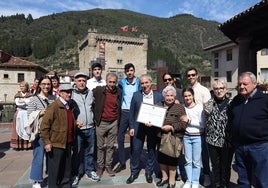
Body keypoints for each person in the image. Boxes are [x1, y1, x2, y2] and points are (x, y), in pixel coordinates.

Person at [229, 72, 268, 187]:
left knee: (262, 181)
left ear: (254, 84)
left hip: (260, 147)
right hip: (240, 147)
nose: (241, 87)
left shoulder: (264, 100)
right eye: (240, 84)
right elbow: (231, 119)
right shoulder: (236, 100)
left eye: (245, 84)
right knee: (243, 180)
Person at [126, 74, 163, 184]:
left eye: (146, 82)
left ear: (151, 83)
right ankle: (134, 172)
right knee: (136, 150)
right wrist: (131, 127)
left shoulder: (159, 96)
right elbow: (131, 112)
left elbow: (162, 111)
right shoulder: (136, 95)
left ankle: (149, 172)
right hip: (138, 127)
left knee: (151, 150)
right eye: (142, 83)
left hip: (153, 127)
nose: (144, 85)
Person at [40, 83, 75, 188]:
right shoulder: (54, 106)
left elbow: (65, 121)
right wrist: (47, 142)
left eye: (70, 92)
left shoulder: (68, 105)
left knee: (66, 168)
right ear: (60, 93)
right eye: (67, 92)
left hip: (67, 142)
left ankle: (65, 185)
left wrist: (75, 123)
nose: (69, 94)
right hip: (56, 143)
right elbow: (44, 126)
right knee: (54, 170)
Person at [203, 79, 234, 188]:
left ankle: (225, 185)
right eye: (216, 88)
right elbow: (206, 120)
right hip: (212, 140)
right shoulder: (208, 105)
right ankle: (216, 184)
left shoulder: (232, 104)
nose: (219, 91)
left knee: (225, 166)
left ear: (226, 89)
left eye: (221, 88)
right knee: (215, 165)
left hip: (228, 141)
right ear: (213, 90)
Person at [71, 72, 100, 186]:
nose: (82, 83)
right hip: (78, 129)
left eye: (84, 81)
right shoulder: (72, 94)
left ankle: (89, 171)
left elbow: (92, 107)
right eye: (79, 81)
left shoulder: (90, 93)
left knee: (90, 151)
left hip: (90, 127)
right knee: (77, 152)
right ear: (75, 82)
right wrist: (74, 122)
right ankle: (77, 173)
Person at [27, 76, 56, 188]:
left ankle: (51, 176)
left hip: (52, 133)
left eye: (48, 84)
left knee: (51, 157)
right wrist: (40, 113)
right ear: (39, 85)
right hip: (39, 133)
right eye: (43, 84)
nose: (46, 86)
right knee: (38, 157)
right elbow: (29, 115)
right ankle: (37, 180)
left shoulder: (53, 98)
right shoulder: (34, 99)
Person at [156, 86, 187, 188]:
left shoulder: (180, 107)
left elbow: (183, 124)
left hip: (174, 137)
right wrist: (150, 122)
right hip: (160, 137)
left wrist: (171, 127)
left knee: (172, 159)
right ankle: (164, 178)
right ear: (164, 96)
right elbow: (153, 118)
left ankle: (172, 181)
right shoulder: (158, 106)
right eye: (167, 95)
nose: (169, 97)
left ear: (174, 96)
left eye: (171, 95)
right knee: (161, 159)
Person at [92, 73, 122, 177]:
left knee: (110, 146)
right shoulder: (99, 90)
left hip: (113, 122)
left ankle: (108, 165)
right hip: (101, 122)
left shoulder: (118, 92)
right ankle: (100, 166)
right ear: (106, 81)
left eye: (114, 82)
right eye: (110, 82)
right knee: (100, 146)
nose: (112, 84)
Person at [186, 67, 211, 186]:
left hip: (202, 127)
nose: (191, 77)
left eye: (193, 75)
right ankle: (191, 177)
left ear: (197, 75)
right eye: (188, 75)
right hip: (189, 129)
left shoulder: (203, 90)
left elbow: (208, 108)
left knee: (204, 154)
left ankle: (206, 174)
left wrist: (206, 125)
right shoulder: (187, 90)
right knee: (190, 156)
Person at [114, 63, 140, 173]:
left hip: (135, 114)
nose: (129, 73)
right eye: (127, 71)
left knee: (135, 138)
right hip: (124, 112)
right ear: (125, 72)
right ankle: (122, 162)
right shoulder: (121, 83)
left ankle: (134, 162)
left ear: (134, 71)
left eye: (131, 70)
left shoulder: (139, 82)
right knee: (120, 137)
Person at [182, 88, 205, 188]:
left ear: (193, 95)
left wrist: (189, 121)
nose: (187, 98)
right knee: (187, 161)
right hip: (186, 137)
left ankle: (195, 181)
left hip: (197, 137)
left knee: (196, 161)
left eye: (189, 95)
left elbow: (202, 124)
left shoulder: (199, 108)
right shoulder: (182, 108)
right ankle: (188, 180)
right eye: (185, 96)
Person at [10, 81, 32, 150]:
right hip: (19, 113)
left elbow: (30, 102)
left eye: (23, 86)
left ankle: (26, 145)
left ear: (26, 87)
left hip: (27, 113)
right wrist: (26, 101)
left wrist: (23, 100)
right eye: (21, 86)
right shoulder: (17, 95)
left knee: (26, 129)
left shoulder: (30, 94)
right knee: (18, 128)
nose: (22, 87)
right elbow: (18, 103)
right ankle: (18, 146)